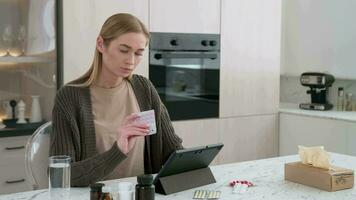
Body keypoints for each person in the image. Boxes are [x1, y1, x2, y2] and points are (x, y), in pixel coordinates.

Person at [50, 13, 183, 187]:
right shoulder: (70, 97)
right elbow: (61, 176)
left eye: (138, 53)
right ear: (100, 44)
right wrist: (117, 151)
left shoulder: (144, 89)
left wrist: (195, 160)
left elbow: (172, 150)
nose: (131, 61)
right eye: (124, 50)